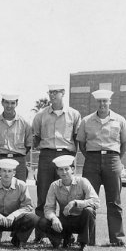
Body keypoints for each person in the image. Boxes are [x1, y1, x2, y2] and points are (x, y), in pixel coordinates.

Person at [76, 89, 126, 247]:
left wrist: (116, 159)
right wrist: (92, 157)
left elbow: (124, 142)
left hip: (113, 159)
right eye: (100, 101)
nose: (102, 104)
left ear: (110, 102)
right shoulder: (86, 120)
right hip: (91, 159)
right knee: (89, 200)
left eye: (105, 101)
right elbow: (82, 144)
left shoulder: (119, 120)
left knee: (114, 201)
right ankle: (88, 239)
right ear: (96, 103)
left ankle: (117, 239)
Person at [31, 84, 81, 226]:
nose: (52, 95)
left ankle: (66, 232)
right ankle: (40, 232)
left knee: (67, 195)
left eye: (56, 92)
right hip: (46, 156)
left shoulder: (74, 114)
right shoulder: (40, 115)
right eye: (50, 92)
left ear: (63, 93)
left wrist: (72, 160)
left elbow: (77, 138)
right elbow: (36, 138)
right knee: (43, 194)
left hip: (66, 155)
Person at [36, 155, 99, 251]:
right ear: (57, 171)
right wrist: (54, 218)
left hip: (81, 221)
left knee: (89, 210)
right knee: (43, 221)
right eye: (60, 169)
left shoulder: (83, 181)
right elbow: (48, 208)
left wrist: (75, 203)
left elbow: (96, 201)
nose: (64, 172)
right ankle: (62, 240)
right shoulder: (54, 186)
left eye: (66, 169)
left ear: (73, 169)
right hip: (64, 221)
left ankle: (83, 243)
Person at [0, 93, 32, 181]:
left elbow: (28, 145)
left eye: (12, 103)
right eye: (7, 102)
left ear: (16, 104)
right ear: (2, 103)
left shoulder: (25, 124)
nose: (9, 106)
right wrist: (2, 154)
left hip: (18, 160)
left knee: (19, 190)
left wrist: (17, 154)